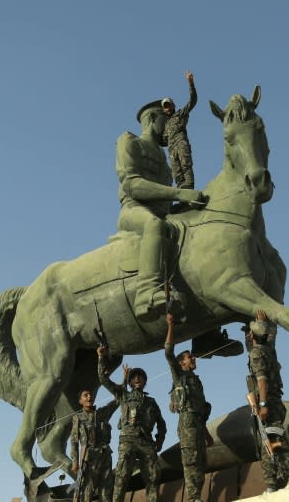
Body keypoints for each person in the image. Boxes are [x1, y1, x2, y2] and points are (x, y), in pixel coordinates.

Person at [115, 100, 206, 320]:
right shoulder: (129, 141)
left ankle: (205, 331)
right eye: (165, 122)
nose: (168, 130)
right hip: (134, 211)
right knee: (153, 225)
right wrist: (178, 194)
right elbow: (131, 185)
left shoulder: (166, 162)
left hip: (164, 213)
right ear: (153, 119)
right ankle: (147, 293)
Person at [98, 346, 166, 502]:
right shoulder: (123, 395)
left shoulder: (151, 402)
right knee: (121, 477)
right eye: (134, 377)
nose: (137, 379)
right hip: (127, 440)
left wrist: (160, 440)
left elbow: (161, 423)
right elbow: (103, 380)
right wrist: (101, 358)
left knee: (153, 477)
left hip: (146, 441)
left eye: (140, 376)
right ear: (129, 382)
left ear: (145, 381)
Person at [245, 311, 289, 493]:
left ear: (252, 335)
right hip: (274, 401)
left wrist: (262, 405)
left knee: (273, 440)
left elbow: (261, 380)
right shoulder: (268, 349)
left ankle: (286, 479)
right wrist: (264, 323)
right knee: (271, 440)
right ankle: (274, 483)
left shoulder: (256, 354)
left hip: (266, 403)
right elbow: (271, 336)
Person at [164, 313, 213, 502]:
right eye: (188, 357)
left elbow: (201, 411)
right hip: (187, 424)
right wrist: (170, 326)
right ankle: (193, 498)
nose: (193, 358)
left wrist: (207, 433)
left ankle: (197, 497)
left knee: (201, 463)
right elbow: (168, 352)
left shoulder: (196, 382)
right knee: (191, 462)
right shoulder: (179, 376)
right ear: (181, 363)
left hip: (198, 424)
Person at [69, 387, 118, 502]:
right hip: (89, 459)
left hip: (105, 456)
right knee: (87, 492)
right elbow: (74, 441)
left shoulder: (102, 413)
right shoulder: (78, 418)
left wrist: (124, 382)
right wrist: (75, 462)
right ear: (80, 401)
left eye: (90, 395)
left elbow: (117, 401)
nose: (89, 397)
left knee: (106, 492)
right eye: (85, 395)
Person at [161, 71, 198, 190]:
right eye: (165, 106)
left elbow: (193, 101)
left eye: (168, 105)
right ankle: (183, 195)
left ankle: (190, 191)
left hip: (181, 144)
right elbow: (162, 140)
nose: (167, 108)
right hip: (171, 150)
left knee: (185, 166)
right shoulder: (166, 125)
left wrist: (191, 83)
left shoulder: (180, 114)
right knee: (177, 173)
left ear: (173, 105)